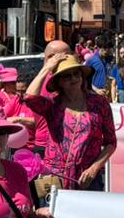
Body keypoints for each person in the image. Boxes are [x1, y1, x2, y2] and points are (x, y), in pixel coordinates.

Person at [24, 55, 117, 195]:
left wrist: (94, 168)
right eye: (66, 76)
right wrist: (47, 68)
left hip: (88, 179)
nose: (73, 79)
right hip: (56, 178)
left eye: (76, 74)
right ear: (59, 82)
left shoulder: (100, 103)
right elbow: (29, 97)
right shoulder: (52, 105)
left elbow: (111, 142)